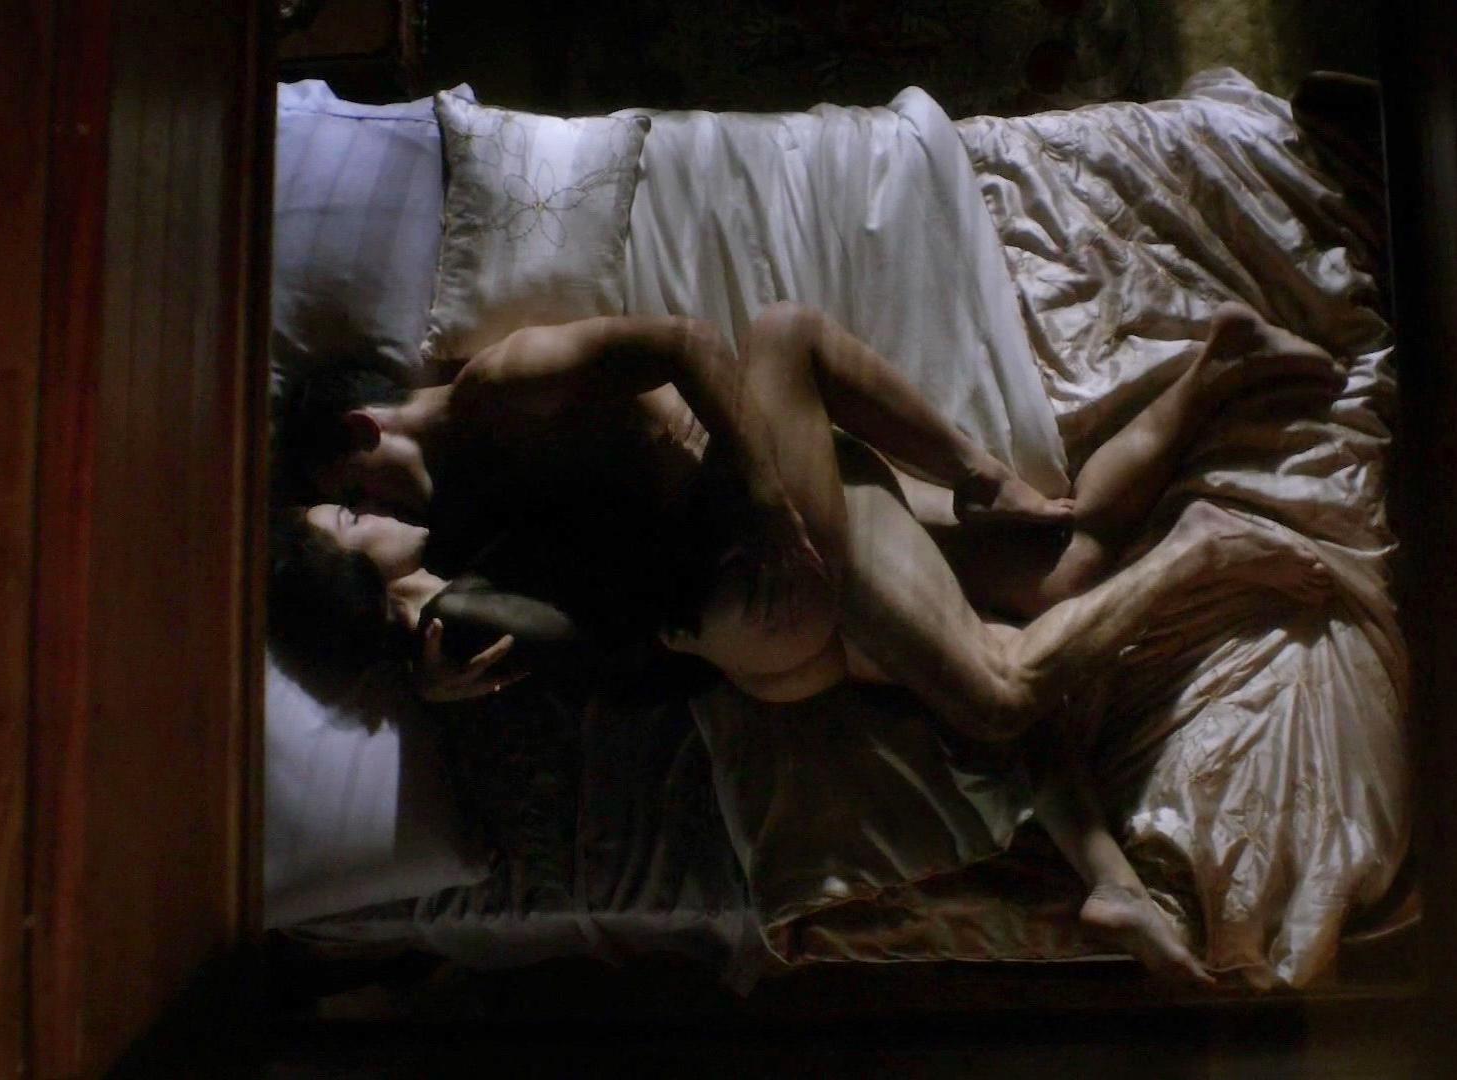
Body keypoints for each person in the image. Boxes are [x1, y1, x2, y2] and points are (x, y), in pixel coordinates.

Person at [273, 301, 1340, 979]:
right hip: (779, 584)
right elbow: (557, 616)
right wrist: (433, 679)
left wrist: (772, 504)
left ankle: (1197, 542)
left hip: (778, 517)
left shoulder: (505, 387)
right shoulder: (453, 543)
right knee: (1065, 577)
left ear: (365, 434)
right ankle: (1218, 376)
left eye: (351, 500)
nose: (379, 518)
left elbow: (687, 344)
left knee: (1005, 677)